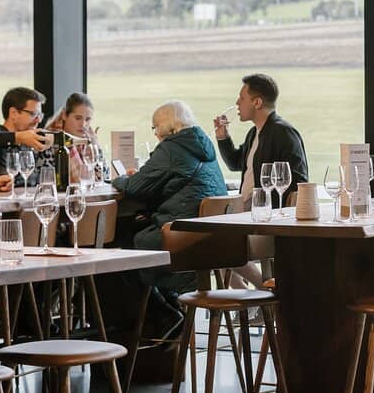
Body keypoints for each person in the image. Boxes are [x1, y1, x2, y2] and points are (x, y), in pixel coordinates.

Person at [112, 100, 227, 339]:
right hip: (211, 242)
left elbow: (135, 187)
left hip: (179, 238)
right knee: (130, 241)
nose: (155, 134)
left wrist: (120, 179)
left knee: (118, 256)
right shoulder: (202, 144)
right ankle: (167, 312)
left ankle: (163, 315)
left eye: (154, 128)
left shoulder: (172, 148)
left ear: (164, 126)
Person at [214, 73, 309, 205]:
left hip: (266, 215)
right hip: (246, 212)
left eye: (242, 98)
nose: (237, 103)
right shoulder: (253, 132)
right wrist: (223, 137)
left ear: (257, 103)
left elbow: (299, 184)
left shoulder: (284, 133)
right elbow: (235, 163)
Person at [0, 87, 49, 190]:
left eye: (40, 115)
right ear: (13, 113)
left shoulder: (27, 142)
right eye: (33, 114)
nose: (38, 120)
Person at [46, 92, 98, 183]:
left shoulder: (86, 141)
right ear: (64, 115)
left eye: (87, 119)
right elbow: (48, 180)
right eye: (78, 118)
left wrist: (95, 146)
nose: (83, 124)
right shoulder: (50, 140)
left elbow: (100, 177)